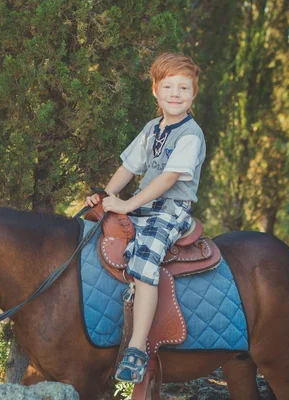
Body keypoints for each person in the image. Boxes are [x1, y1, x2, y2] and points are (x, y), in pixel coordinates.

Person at [85, 52, 205, 383]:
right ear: (155, 90)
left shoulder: (191, 134)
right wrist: (106, 196)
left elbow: (168, 179)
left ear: (194, 93)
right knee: (100, 238)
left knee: (145, 259)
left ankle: (136, 348)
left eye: (184, 88)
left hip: (171, 210)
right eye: (169, 86)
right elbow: (129, 167)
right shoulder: (152, 128)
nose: (176, 94)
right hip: (143, 205)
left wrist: (126, 205)